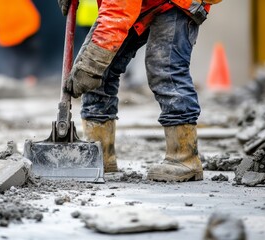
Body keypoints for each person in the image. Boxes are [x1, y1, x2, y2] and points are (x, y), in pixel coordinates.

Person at [58, 0, 222, 182]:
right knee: (95, 71)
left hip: (175, 3)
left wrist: (92, 65)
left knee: (165, 69)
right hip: (139, 4)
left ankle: (184, 157)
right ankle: (100, 155)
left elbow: (117, 12)